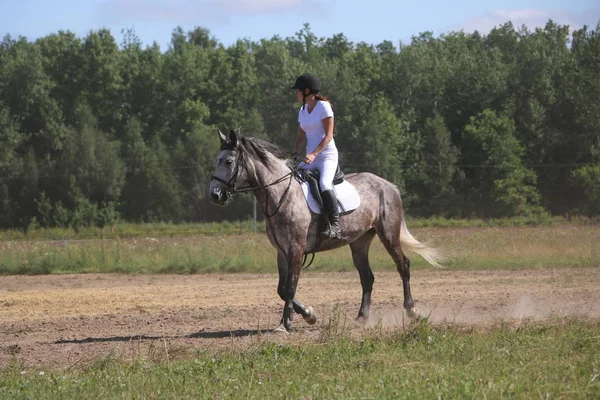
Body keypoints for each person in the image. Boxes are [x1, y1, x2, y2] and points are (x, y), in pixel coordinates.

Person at [291, 73, 341, 239]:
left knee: (325, 184)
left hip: (326, 156)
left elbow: (328, 136)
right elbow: (300, 137)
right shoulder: (302, 110)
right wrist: (294, 154)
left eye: (298, 91)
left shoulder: (324, 107)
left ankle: (335, 224)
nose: (296, 94)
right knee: (293, 178)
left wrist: (313, 153)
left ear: (307, 91)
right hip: (310, 158)